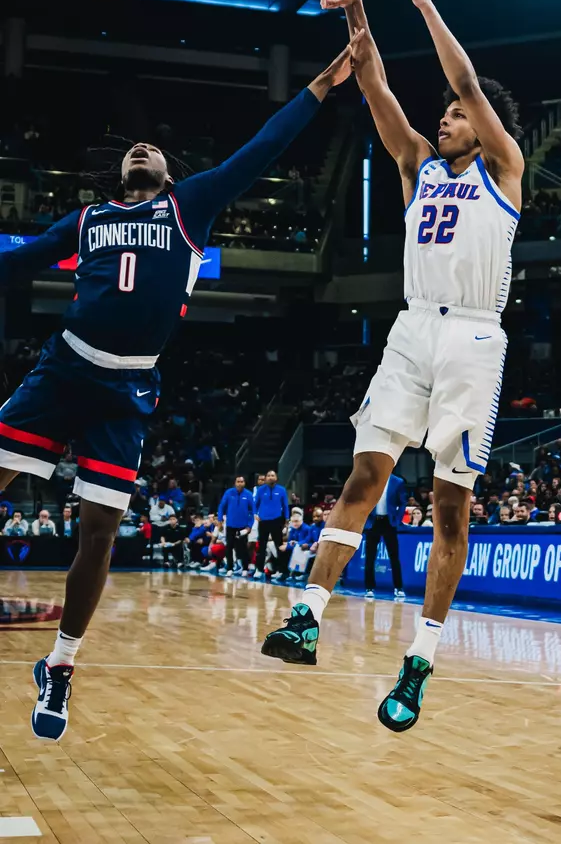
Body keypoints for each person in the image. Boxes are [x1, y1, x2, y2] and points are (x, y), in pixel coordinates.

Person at [0, 38, 361, 744]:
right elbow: (14, 262)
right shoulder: (86, 220)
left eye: (152, 149)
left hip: (127, 390)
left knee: (99, 533)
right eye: (134, 148)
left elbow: (262, 147)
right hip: (63, 369)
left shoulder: (189, 208)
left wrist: (321, 83)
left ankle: (62, 666)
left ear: (169, 174)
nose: (140, 147)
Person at [263, 0, 524, 735]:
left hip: (475, 336)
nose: (442, 117)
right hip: (414, 327)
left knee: (451, 507)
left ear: (479, 126)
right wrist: (357, 15)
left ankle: (420, 661)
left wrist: (424, 3)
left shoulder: (504, 168)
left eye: (451, 114)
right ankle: (307, 614)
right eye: (440, 112)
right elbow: (372, 83)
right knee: (363, 474)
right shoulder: (416, 165)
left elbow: (472, 83)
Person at [363, 473, 409, 600]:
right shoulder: (371, 479)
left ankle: (398, 588)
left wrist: (398, 519)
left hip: (389, 523)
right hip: (373, 523)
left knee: (394, 557)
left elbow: (403, 502)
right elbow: (364, 500)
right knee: (370, 557)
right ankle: (369, 587)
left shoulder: (397, 481)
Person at [254, 469, 289, 581]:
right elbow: (255, 504)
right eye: (268, 475)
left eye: (272, 475)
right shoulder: (260, 490)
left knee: (279, 546)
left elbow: (285, 505)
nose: (270, 477)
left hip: (276, 520)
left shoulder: (282, 490)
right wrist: (255, 514)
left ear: (276, 478)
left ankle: (281, 570)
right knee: (262, 547)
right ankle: (259, 570)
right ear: (266, 478)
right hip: (263, 521)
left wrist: (287, 519)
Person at [217, 475, 255, 576]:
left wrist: (249, 526)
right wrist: (220, 520)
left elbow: (252, 511)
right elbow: (221, 507)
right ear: (235, 483)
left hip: (243, 526)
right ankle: (230, 568)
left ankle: (245, 568)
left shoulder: (248, 494)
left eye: (242, 482)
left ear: (244, 483)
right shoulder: (229, 493)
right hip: (230, 525)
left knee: (243, 548)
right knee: (229, 547)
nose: (240, 483)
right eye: (238, 481)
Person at [282, 508, 314, 583]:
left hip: (308, 546)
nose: (295, 524)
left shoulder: (306, 528)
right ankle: (284, 572)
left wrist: (296, 543)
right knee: (282, 548)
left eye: (296, 521)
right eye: (293, 522)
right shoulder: (293, 528)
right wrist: (289, 543)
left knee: (298, 549)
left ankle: (298, 573)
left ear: (301, 520)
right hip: (297, 546)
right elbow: (290, 540)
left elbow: (307, 540)